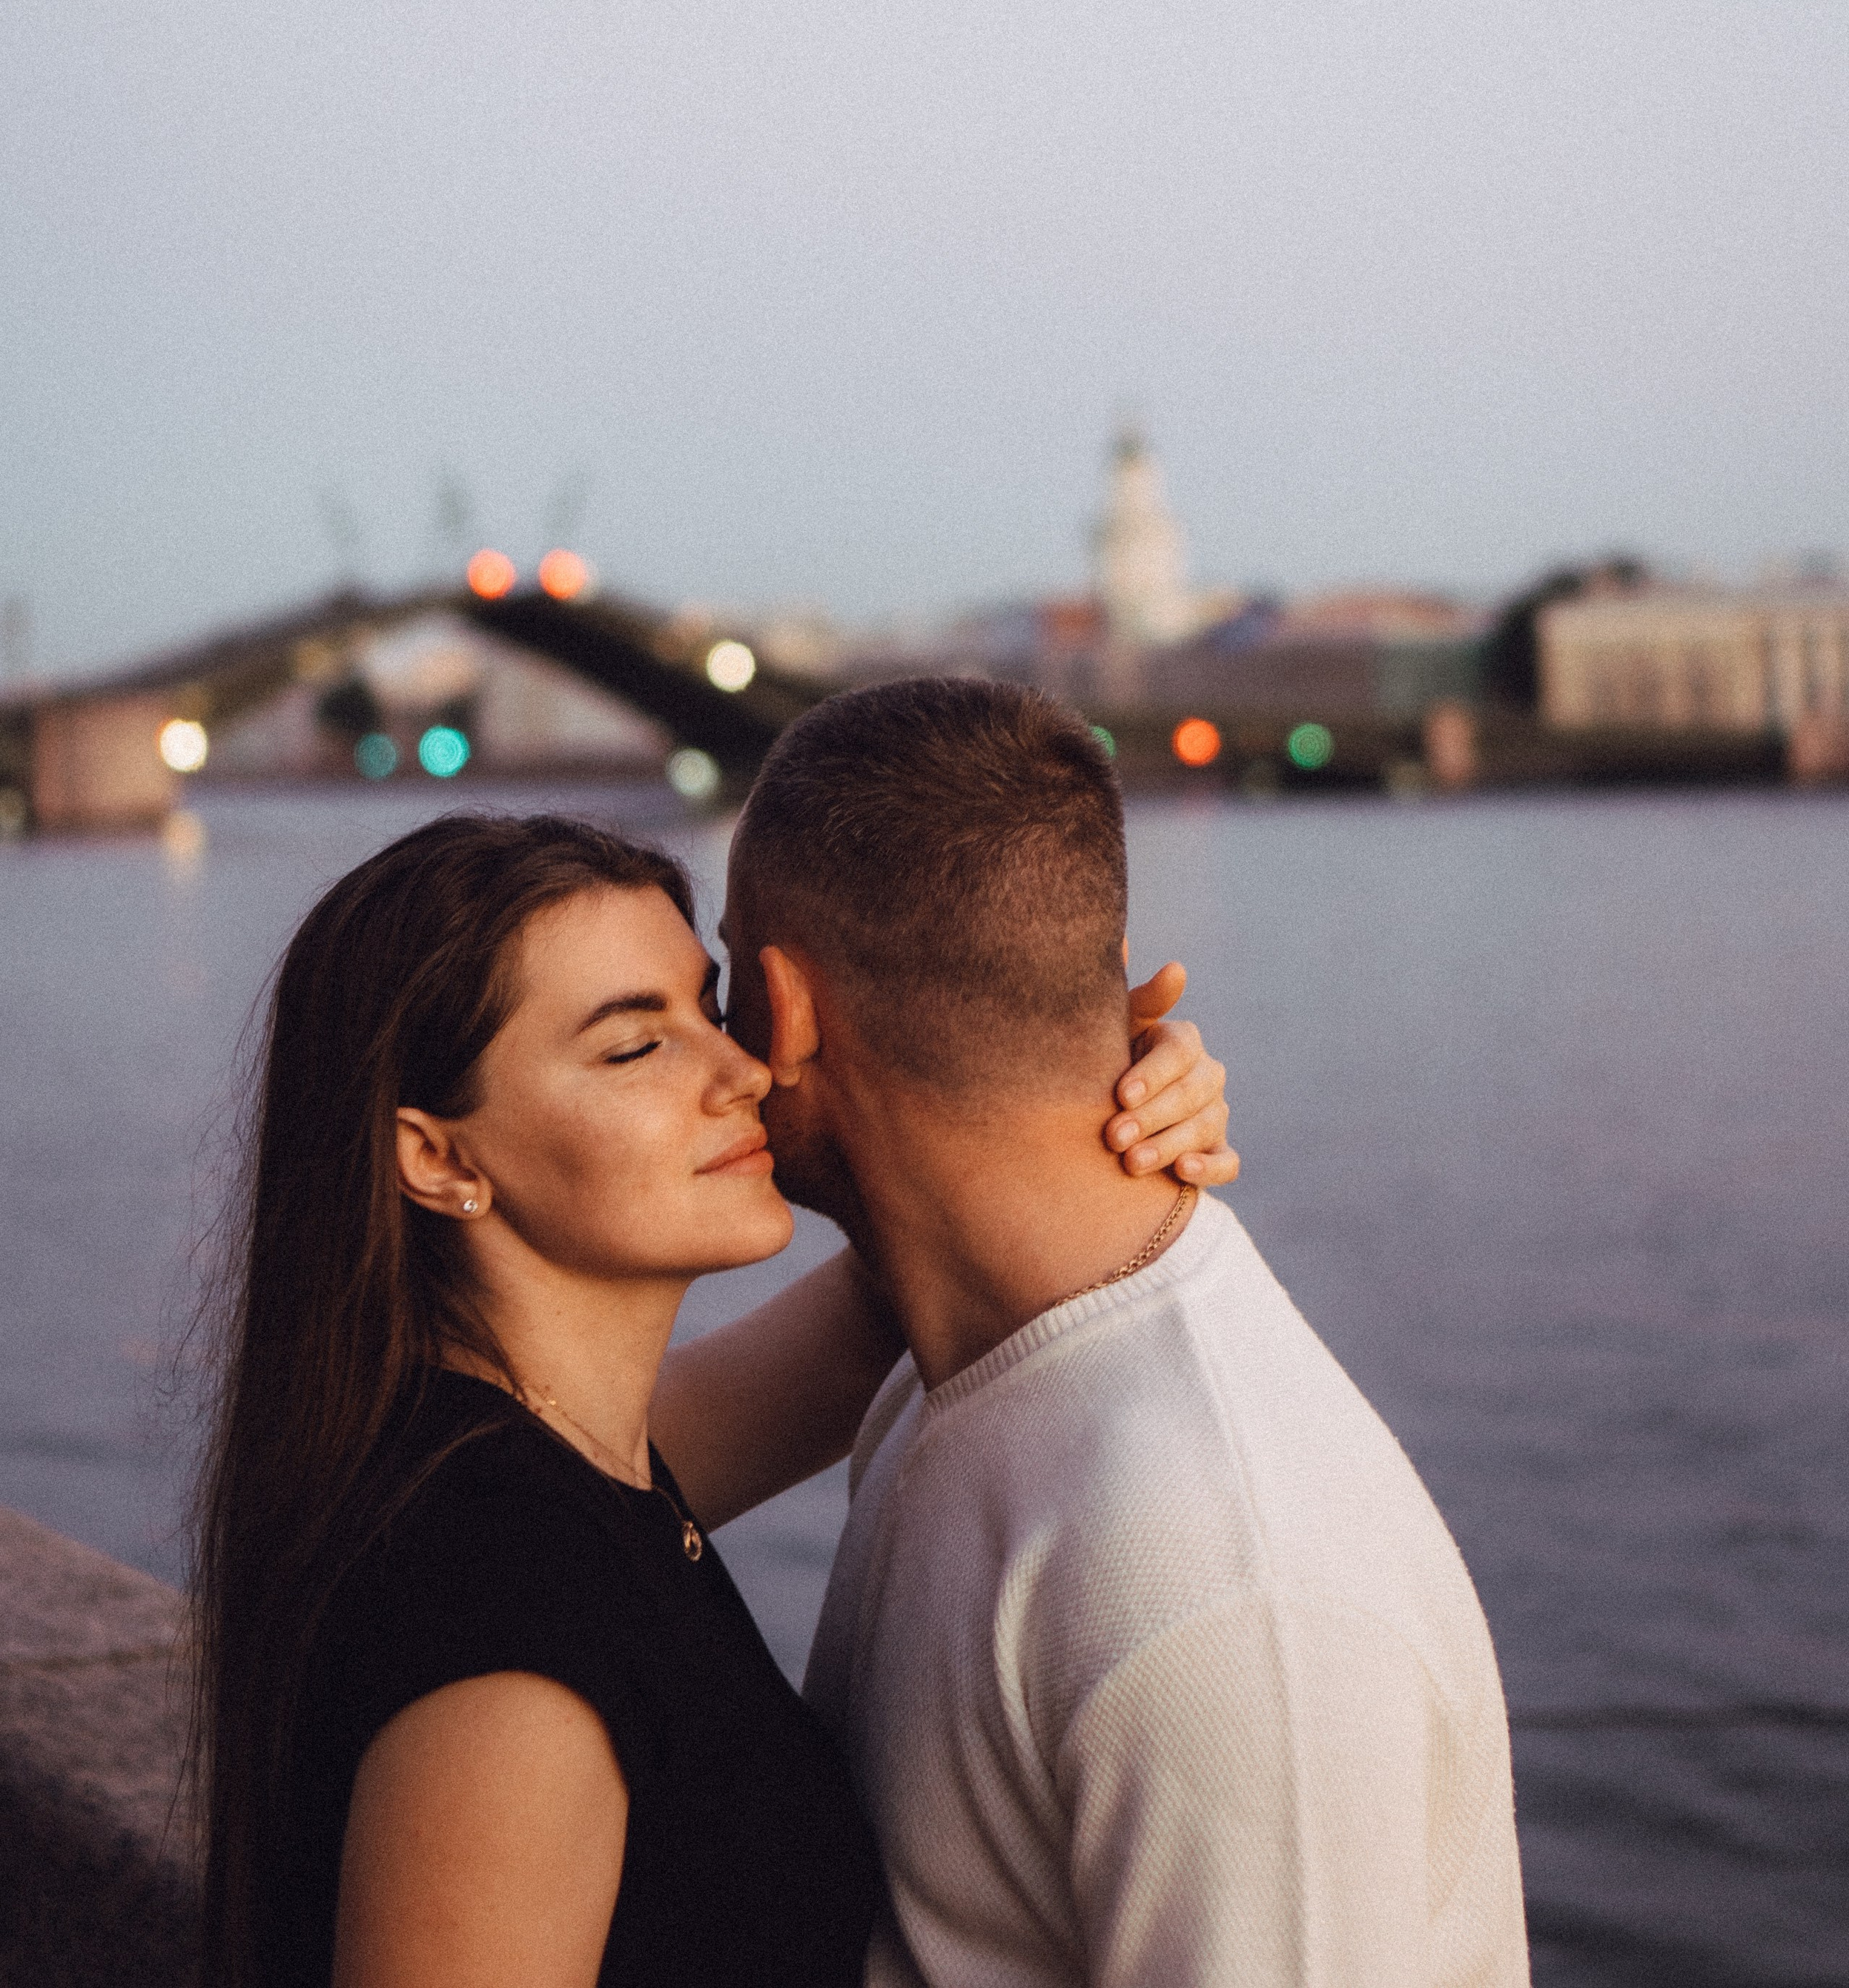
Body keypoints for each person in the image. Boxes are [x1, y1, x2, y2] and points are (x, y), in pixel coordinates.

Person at [191, 809, 1234, 1988]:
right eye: (636, 1048)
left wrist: (1079, 1092)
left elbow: (908, 1286)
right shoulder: (510, 1630)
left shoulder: (532, 1461)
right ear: (439, 1160)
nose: (743, 1072)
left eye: (710, 1005)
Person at [721, 677, 1532, 1988]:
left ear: (788, 1010)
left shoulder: (1225, 1590)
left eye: (717, 991)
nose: (717, 1054)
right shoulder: (942, 1373)